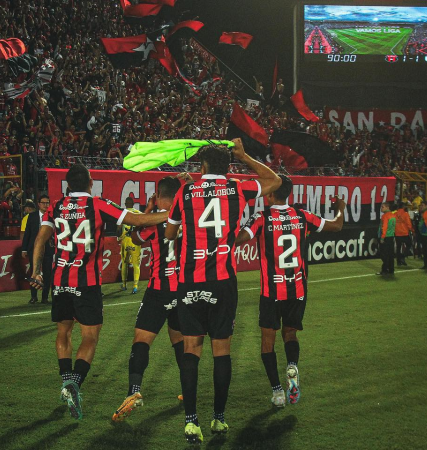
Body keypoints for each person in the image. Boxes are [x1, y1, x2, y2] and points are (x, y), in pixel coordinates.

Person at [29, 164, 168, 420]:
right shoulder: (97, 204)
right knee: (90, 337)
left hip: (60, 282)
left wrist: (36, 270)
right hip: (87, 282)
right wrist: (172, 214)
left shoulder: (56, 206)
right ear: (90, 183)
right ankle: (74, 384)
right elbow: (136, 220)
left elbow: (40, 239)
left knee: (63, 332)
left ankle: (66, 380)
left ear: (68, 185)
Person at [165, 138, 281, 444]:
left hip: (190, 280)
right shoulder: (238, 187)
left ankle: (191, 421)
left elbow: (169, 232)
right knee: (221, 351)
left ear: (201, 167)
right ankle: (218, 418)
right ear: (228, 167)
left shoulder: (186, 191)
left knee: (191, 349)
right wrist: (246, 157)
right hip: (222, 280)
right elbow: (275, 181)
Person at [235, 175, 345, 407]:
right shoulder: (302, 216)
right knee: (290, 334)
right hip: (297, 289)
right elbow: (336, 225)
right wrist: (340, 209)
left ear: (272, 193)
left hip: (271, 292)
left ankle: (277, 392)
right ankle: (292, 367)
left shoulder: (262, 218)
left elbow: (238, 239)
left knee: (267, 342)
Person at [112, 176, 185, 421]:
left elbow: (134, 238)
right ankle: (188, 389)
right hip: (184, 289)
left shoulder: (153, 223)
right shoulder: (189, 218)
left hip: (159, 289)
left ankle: (134, 392)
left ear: (159, 196)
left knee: (141, 340)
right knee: (180, 342)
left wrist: (148, 210)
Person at [22, 195, 54, 304]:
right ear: (39, 204)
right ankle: (33, 296)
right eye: (44, 203)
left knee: (47, 273)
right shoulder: (32, 216)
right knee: (34, 272)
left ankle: (44, 297)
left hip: (49, 248)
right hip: (33, 249)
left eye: (47, 203)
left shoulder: (52, 216)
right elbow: (27, 234)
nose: (46, 205)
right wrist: (24, 249)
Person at [118, 197, 142, 294]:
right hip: (135, 241)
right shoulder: (138, 213)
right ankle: (135, 286)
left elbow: (118, 229)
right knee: (136, 264)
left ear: (125, 203)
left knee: (124, 263)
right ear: (133, 203)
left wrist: (119, 236)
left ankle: (124, 285)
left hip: (125, 240)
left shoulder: (121, 213)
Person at [376, 202, 396, 275]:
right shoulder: (393, 215)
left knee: (384, 254)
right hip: (391, 236)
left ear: (388, 207)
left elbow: (384, 228)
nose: (381, 208)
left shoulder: (385, 216)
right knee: (390, 254)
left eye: (383, 207)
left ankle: (385, 269)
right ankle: (391, 269)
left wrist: (382, 237)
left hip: (385, 237)